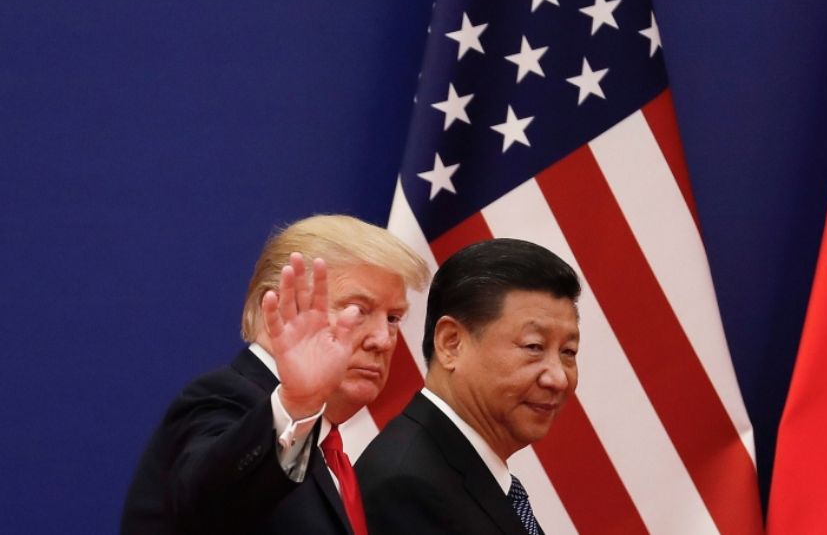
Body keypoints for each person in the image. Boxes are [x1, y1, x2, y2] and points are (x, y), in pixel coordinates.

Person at [121, 214, 429, 535]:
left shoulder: (323, 442)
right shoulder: (224, 398)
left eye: (393, 318)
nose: (382, 339)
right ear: (280, 306)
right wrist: (297, 403)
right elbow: (207, 508)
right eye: (358, 310)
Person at [357, 238, 581, 535]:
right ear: (451, 343)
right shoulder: (407, 486)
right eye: (534, 346)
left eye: (568, 352)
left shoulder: (462, 469)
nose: (558, 378)